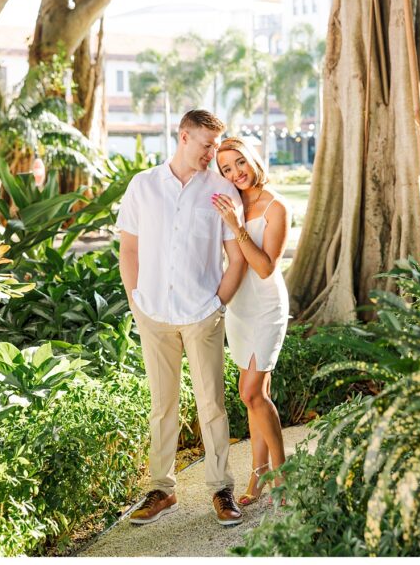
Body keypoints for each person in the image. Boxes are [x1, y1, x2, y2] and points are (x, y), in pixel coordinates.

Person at [118, 109, 247, 527]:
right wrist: (136, 303)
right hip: (153, 312)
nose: (213, 152)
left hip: (201, 314)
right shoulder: (144, 186)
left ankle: (221, 489)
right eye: (207, 144)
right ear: (184, 136)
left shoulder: (222, 189)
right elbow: (130, 250)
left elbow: (237, 256)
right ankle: (161, 489)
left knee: (211, 403)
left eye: (215, 145)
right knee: (162, 404)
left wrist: (217, 303)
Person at [212, 136, 290, 506]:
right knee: (256, 397)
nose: (235, 172)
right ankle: (258, 474)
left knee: (250, 392)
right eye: (226, 168)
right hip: (239, 308)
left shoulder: (276, 207)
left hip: (265, 305)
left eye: (239, 163)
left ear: (252, 159)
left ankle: (282, 475)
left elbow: (263, 267)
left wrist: (236, 224)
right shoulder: (230, 201)